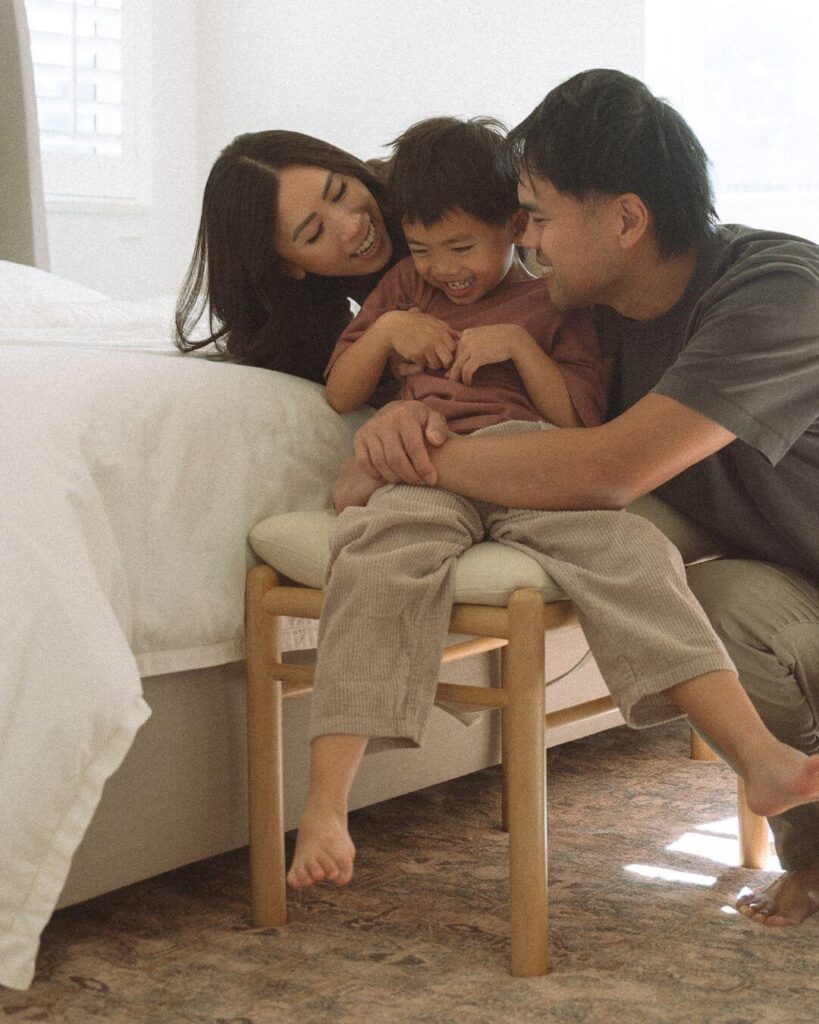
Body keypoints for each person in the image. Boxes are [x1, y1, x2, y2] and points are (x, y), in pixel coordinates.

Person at [336, 70, 819, 927]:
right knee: (718, 607)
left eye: (540, 216)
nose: (522, 239)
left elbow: (606, 471)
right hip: (787, 580)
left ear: (627, 220)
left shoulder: (777, 291)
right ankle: (814, 859)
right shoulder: (591, 322)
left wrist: (410, 455)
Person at [174, 130, 404, 383]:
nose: (353, 226)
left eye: (340, 191)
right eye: (315, 233)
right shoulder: (300, 323)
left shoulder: (419, 193)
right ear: (287, 266)